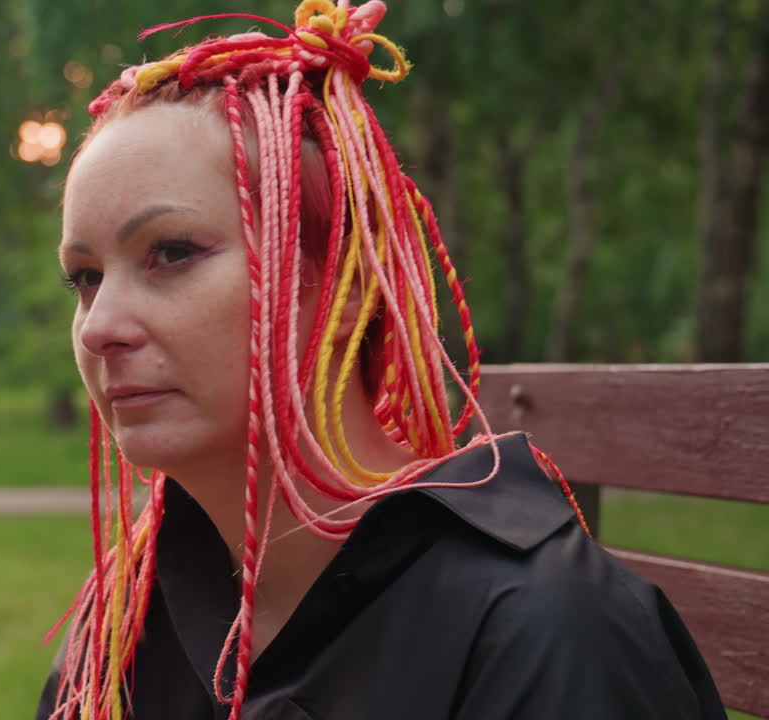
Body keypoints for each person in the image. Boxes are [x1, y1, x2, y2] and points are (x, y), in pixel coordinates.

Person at [36, 2, 725, 719]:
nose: (99, 327)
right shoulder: (130, 617)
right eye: (85, 277)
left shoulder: (546, 631)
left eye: (172, 253)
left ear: (348, 286)